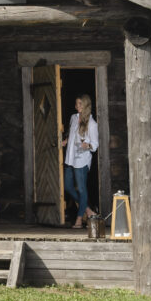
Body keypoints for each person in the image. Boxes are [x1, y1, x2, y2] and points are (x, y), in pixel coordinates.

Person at [60, 94, 99, 229]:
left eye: (80, 104)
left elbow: (95, 144)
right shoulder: (73, 118)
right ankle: (89, 211)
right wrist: (66, 141)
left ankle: (78, 219)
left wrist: (87, 145)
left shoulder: (92, 124)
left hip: (82, 159)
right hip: (70, 157)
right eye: (77, 104)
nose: (78, 106)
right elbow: (72, 135)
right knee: (68, 187)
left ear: (86, 105)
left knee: (82, 189)